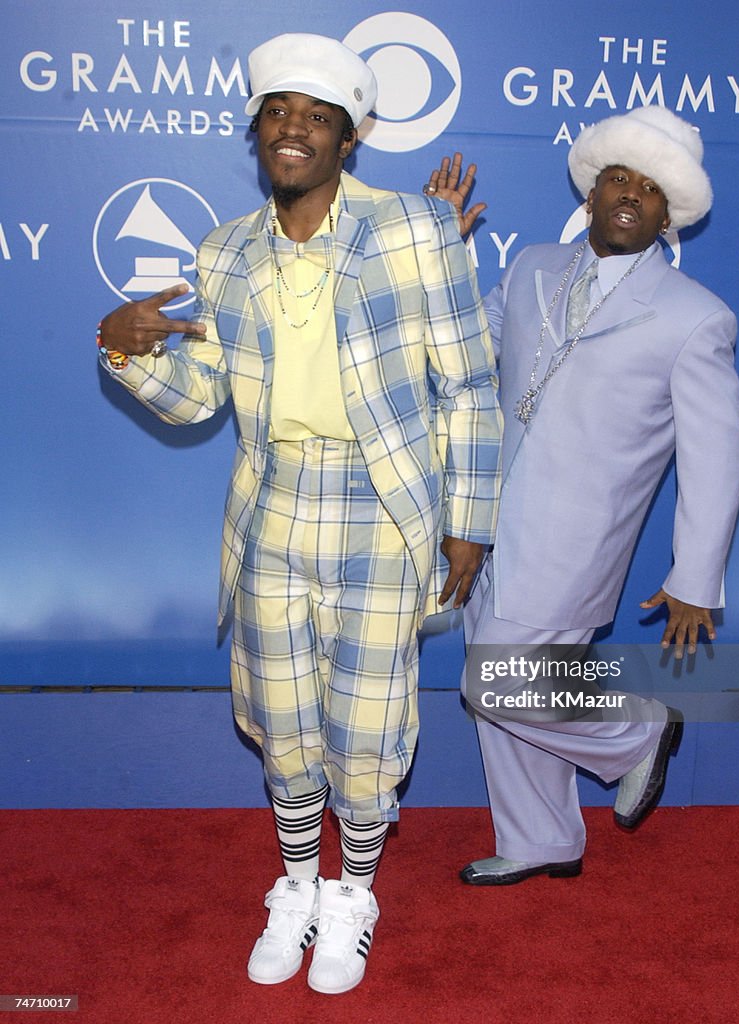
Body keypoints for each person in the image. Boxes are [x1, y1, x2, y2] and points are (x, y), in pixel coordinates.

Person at [96, 32, 502, 992]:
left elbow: (471, 388)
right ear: (256, 130)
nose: (295, 130)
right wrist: (127, 351)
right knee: (282, 719)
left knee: (365, 724)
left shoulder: (415, 229)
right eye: (279, 112)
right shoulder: (225, 249)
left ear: (349, 138)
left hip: (383, 508)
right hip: (270, 503)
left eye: (318, 118)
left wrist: (470, 519)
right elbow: (204, 396)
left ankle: (352, 896)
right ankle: (297, 881)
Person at [425, 106, 739, 885]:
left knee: (494, 683)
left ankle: (637, 732)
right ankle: (542, 839)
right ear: (593, 189)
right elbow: (466, 349)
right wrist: (439, 249)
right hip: (482, 520)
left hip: (577, 538)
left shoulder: (695, 317)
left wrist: (694, 577)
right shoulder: (536, 264)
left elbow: (719, 452)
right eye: (618, 178)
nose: (630, 194)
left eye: (650, 187)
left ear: (670, 213)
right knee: (495, 678)